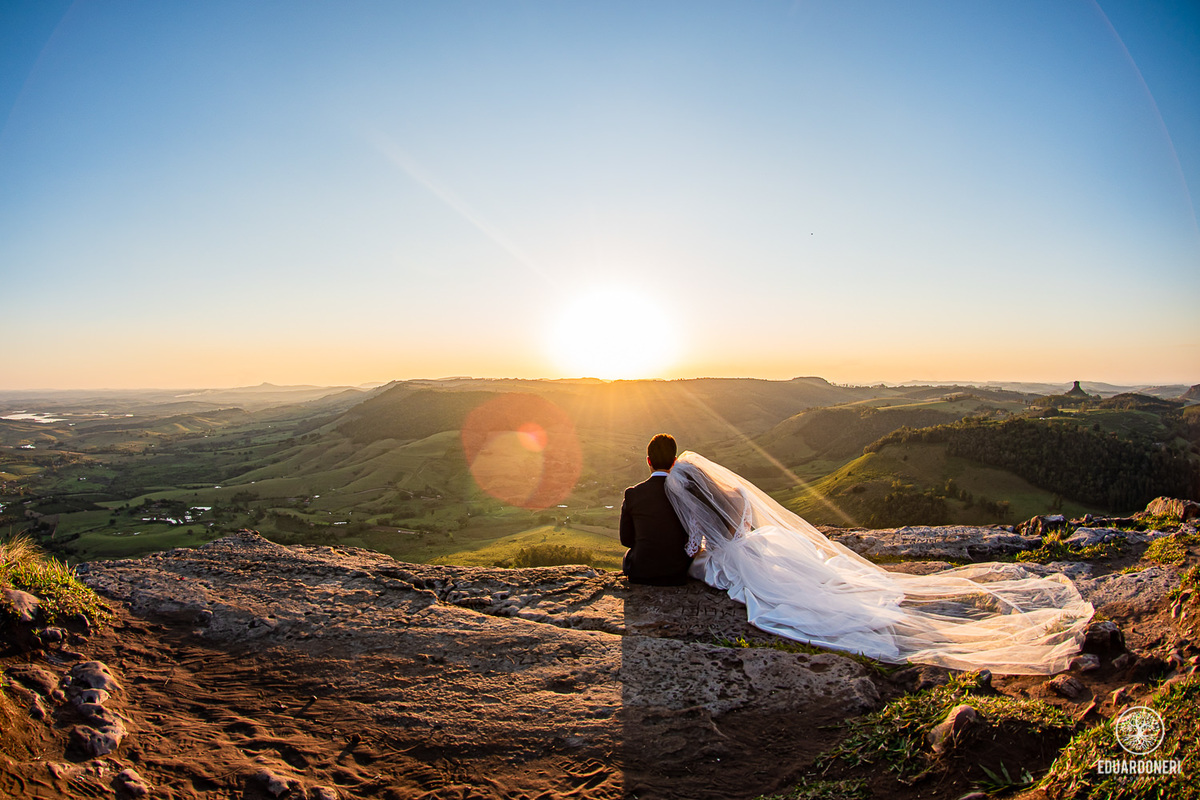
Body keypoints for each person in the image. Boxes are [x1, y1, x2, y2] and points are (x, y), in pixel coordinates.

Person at [663, 450, 1095, 675]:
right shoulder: (736, 496)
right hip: (761, 546)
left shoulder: (696, 508)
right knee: (811, 575)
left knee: (727, 579)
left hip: (731, 559)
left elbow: (696, 544)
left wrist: (691, 558)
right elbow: (746, 526)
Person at [619, 434, 694, 585]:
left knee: (628, 555)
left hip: (640, 572)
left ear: (648, 461)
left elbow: (626, 539)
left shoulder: (633, 493)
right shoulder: (684, 493)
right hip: (677, 572)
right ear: (674, 462)